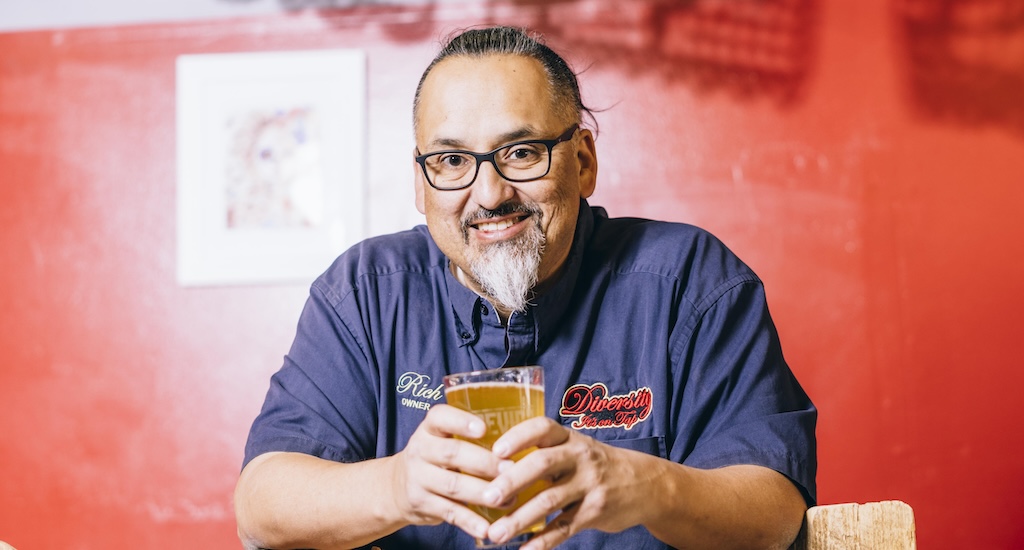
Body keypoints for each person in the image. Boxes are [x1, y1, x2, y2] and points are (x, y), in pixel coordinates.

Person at [234, 26, 816, 550]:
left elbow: (777, 513)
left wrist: (647, 487)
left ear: (583, 160)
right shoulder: (366, 293)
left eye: (521, 153)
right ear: (421, 182)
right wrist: (395, 485)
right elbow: (261, 505)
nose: (488, 194)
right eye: (452, 160)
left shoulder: (689, 282)